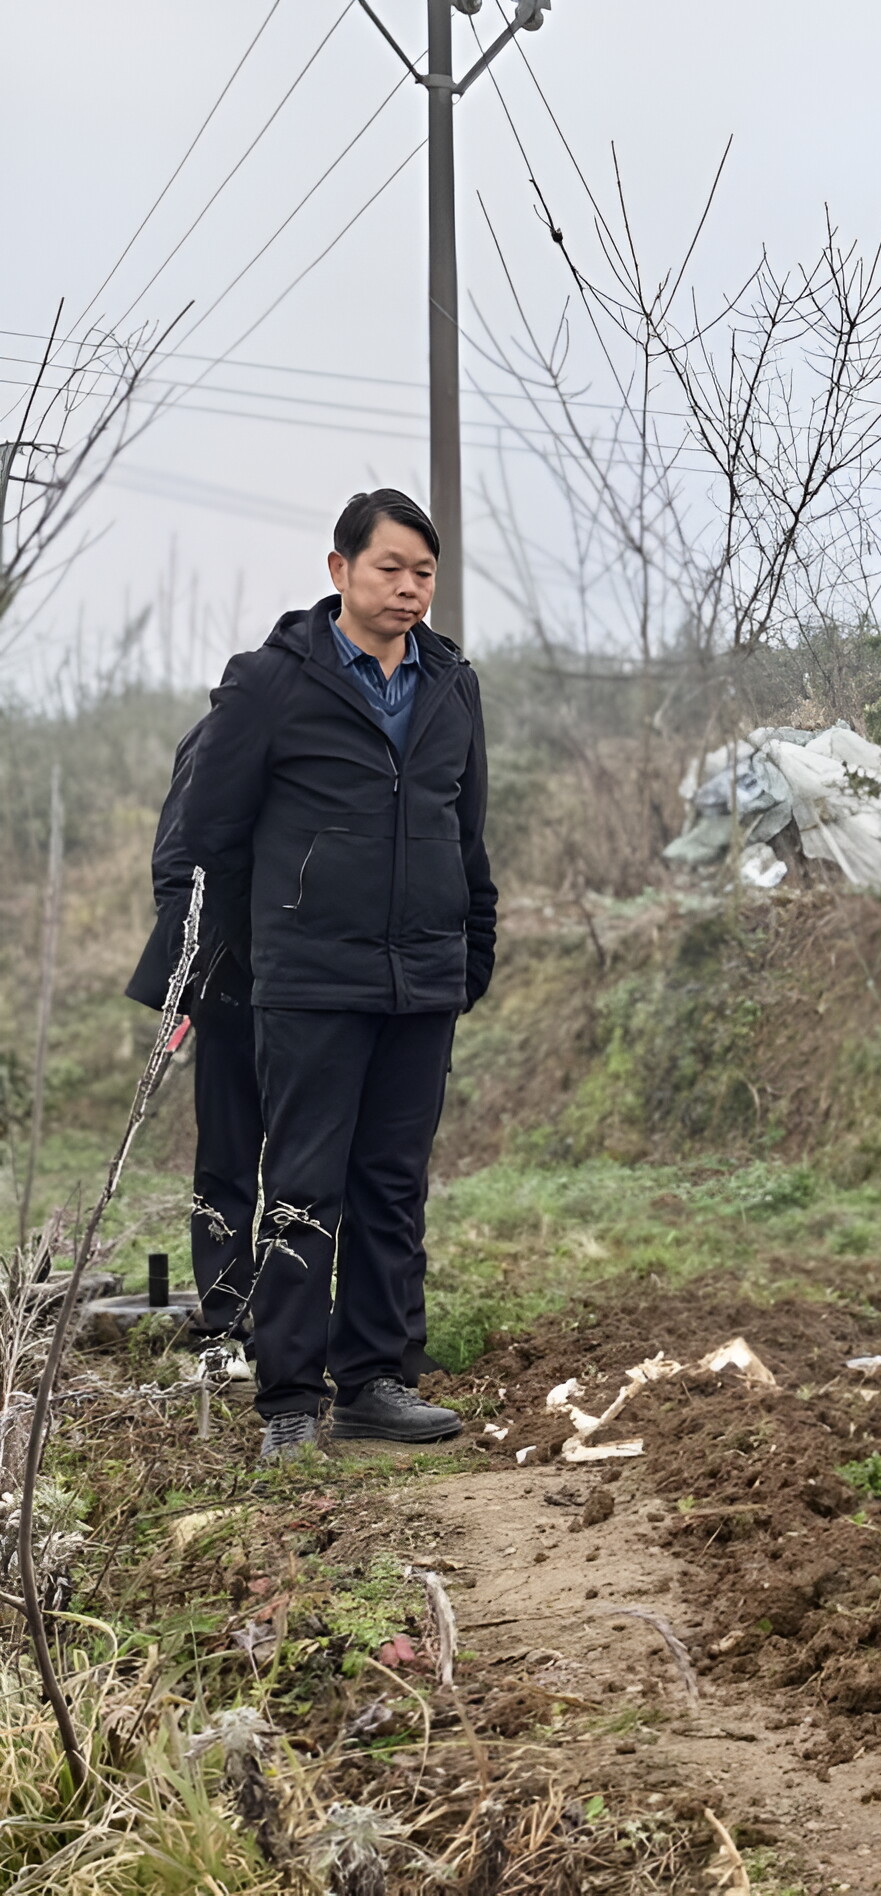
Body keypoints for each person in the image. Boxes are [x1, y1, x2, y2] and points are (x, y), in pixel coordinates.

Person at [182, 489, 498, 1463]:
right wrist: (250, 956)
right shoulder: (274, 682)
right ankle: (288, 1397)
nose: (408, 588)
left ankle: (375, 1381)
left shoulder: (452, 685)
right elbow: (212, 835)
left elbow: (465, 831)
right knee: (303, 1186)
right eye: (389, 568)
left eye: (423, 573)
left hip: (420, 982)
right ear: (339, 572)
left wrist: (470, 947)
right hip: (310, 980)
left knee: (391, 1186)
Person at [126, 720, 257, 1347]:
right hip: (232, 987)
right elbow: (177, 865)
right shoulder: (218, 733)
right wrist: (197, 968)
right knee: (229, 1160)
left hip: (326, 988)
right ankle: (228, 1325)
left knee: (319, 1167)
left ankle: (311, 1330)